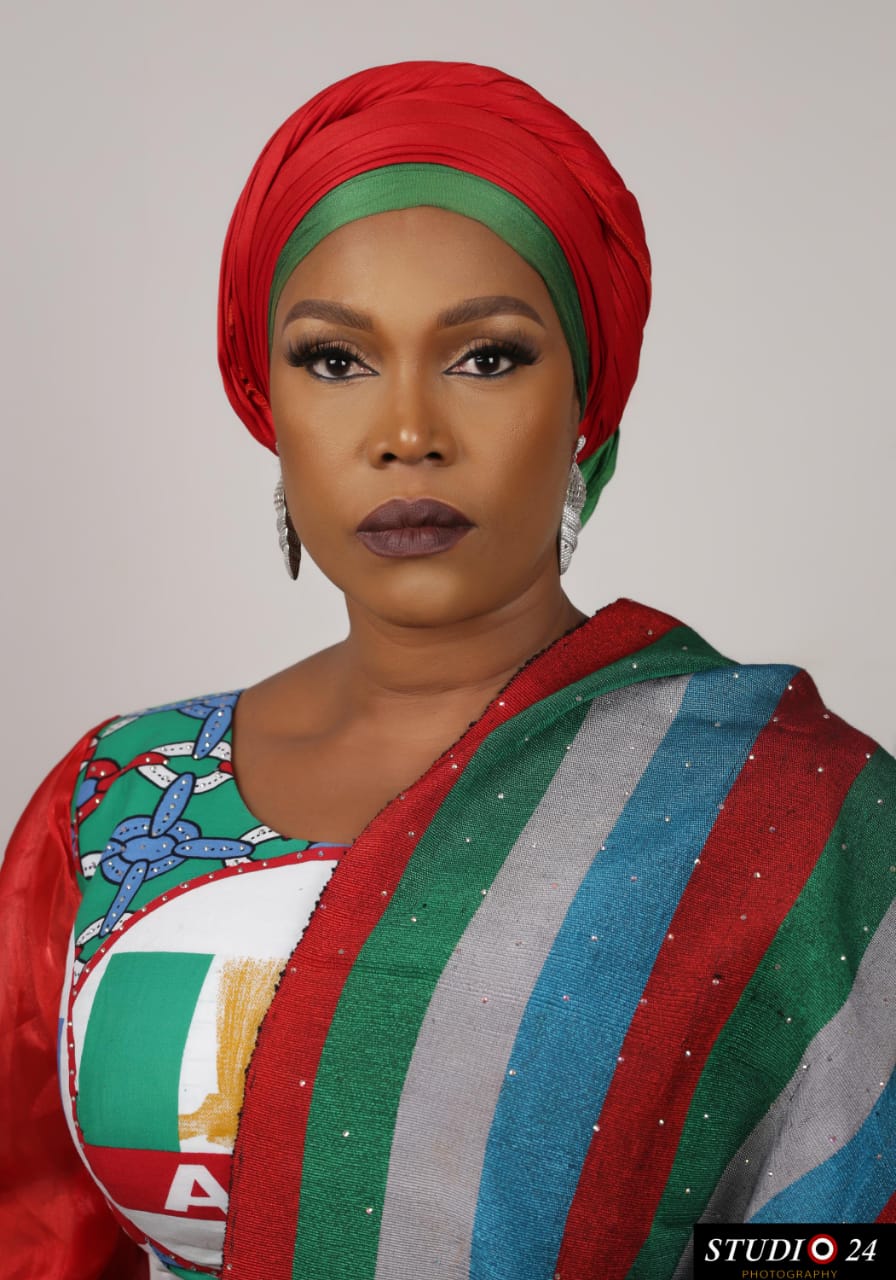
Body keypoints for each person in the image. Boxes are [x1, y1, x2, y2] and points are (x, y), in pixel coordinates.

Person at [1, 58, 893, 1280]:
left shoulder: (785, 816)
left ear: (585, 406)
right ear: (266, 404)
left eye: (486, 357)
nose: (408, 432)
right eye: (334, 359)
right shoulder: (115, 799)